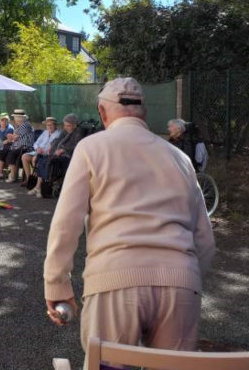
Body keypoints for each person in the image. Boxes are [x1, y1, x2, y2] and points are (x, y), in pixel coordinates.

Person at [44, 78, 215, 360]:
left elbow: (66, 224)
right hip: (181, 282)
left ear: (102, 112)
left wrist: (57, 285)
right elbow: (205, 240)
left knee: (111, 367)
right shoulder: (179, 159)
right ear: (144, 113)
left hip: (113, 280)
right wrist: (189, 280)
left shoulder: (91, 148)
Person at [28, 114, 82, 198]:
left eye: (68, 125)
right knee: (43, 160)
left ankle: (41, 187)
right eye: (65, 125)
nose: (66, 127)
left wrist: (63, 150)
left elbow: (77, 145)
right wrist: (52, 146)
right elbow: (57, 141)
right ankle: (38, 187)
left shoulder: (78, 133)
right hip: (58, 154)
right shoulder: (65, 132)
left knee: (49, 162)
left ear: (74, 125)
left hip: (68, 156)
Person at [0, 109, 34, 183]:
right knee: (5, 150)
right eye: (15, 117)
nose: (15, 119)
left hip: (25, 147)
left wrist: (10, 137)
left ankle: (12, 176)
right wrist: (10, 137)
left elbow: (15, 137)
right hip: (17, 146)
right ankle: (3, 173)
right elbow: (13, 137)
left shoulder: (25, 125)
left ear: (20, 118)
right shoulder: (19, 125)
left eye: (16, 117)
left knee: (11, 153)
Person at [21, 117, 61, 188]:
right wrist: (37, 148)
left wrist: (42, 152)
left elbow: (55, 148)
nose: (49, 126)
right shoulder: (45, 132)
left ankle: (38, 182)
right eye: (48, 125)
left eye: (51, 125)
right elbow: (36, 143)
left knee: (37, 160)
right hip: (38, 152)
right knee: (24, 157)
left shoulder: (59, 134)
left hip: (47, 154)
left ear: (55, 125)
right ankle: (29, 179)